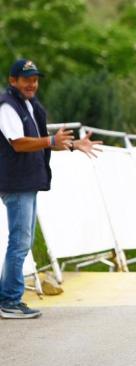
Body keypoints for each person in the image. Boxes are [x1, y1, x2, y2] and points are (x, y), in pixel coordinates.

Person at [0, 59, 103, 319]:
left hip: (28, 181)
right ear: (13, 81)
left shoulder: (30, 106)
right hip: (16, 182)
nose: (32, 84)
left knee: (23, 241)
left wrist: (71, 145)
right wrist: (50, 140)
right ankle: (9, 301)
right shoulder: (7, 106)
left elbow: (42, 143)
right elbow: (19, 143)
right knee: (20, 241)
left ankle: (9, 299)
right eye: (26, 79)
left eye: (35, 79)